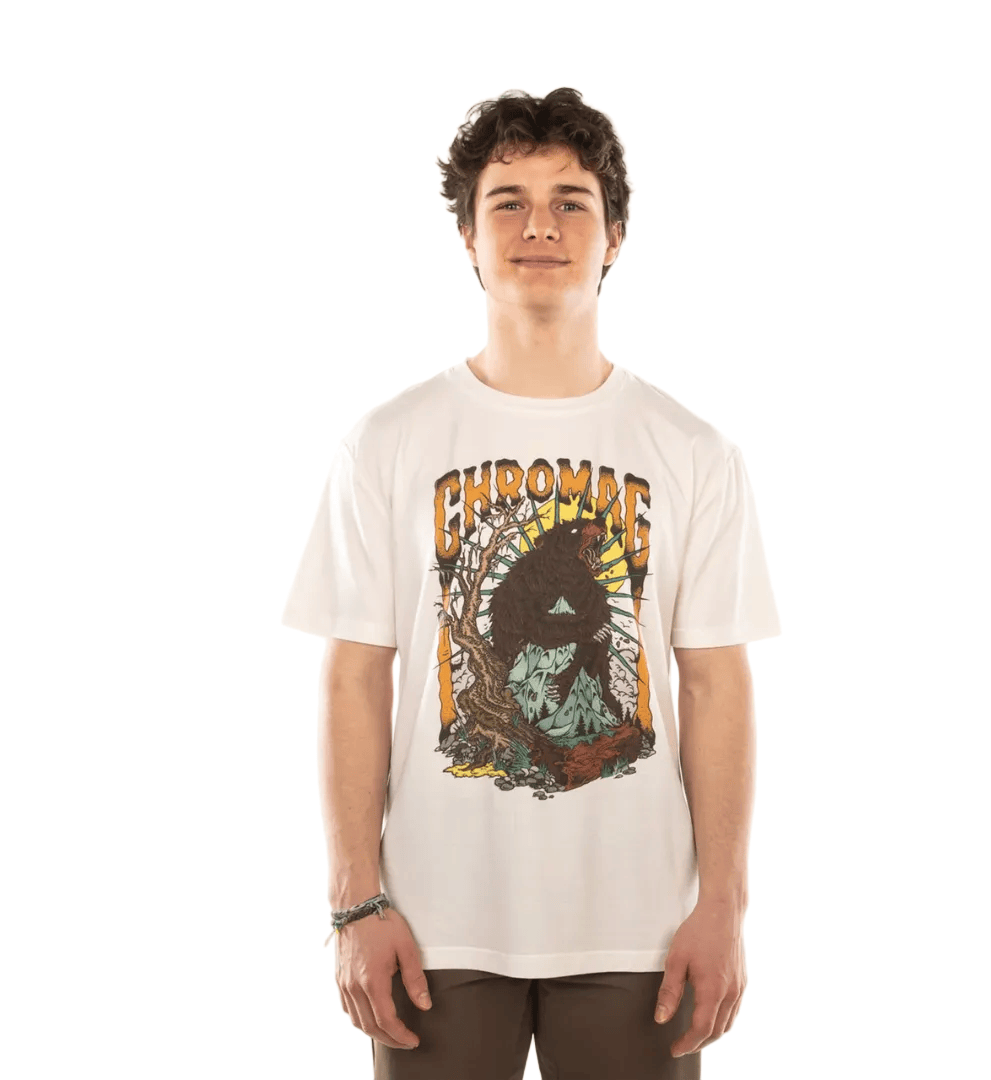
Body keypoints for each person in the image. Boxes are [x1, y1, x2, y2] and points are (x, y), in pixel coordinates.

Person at [281, 87, 781, 1080]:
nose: (539, 226)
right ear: (468, 237)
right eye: (507, 201)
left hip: (642, 926)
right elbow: (353, 678)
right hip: (433, 924)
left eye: (570, 202)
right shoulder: (386, 443)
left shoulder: (693, 451)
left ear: (615, 236)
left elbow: (716, 684)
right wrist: (354, 902)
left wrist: (724, 905)